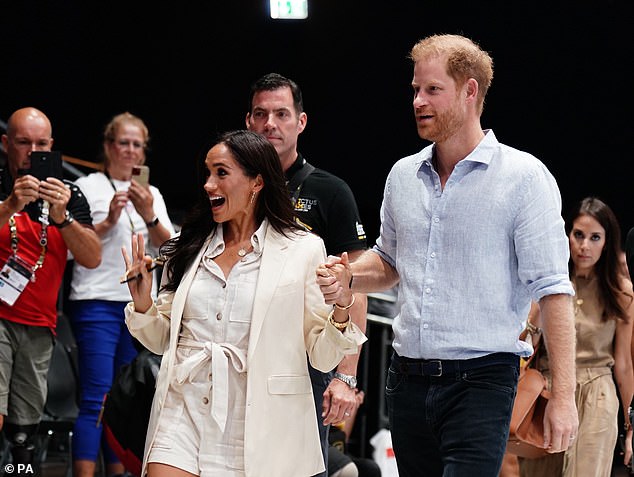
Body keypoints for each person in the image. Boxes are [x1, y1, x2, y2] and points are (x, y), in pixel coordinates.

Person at [316, 33, 579, 476]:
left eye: (433, 89)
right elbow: (389, 262)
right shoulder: (403, 175)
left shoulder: (524, 178)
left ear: (470, 90)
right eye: (415, 89)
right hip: (407, 380)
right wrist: (349, 276)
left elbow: (554, 290)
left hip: (483, 381)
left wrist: (565, 398)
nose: (418, 100)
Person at [120, 129, 366, 477]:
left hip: (257, 422)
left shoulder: (303, 249)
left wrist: (342, 306)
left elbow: (321, 355)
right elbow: (161, 339)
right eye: (207, 173)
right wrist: (144, 302)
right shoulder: (187, 245)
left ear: (256, 182)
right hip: (182, 408)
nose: (208, 184)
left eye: (221, 173)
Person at [245, 72, 369, 476]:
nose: (270, 124)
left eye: (282, 114)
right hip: (241, 357)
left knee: (300, 467)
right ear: (248, 121)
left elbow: (358, 286)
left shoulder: (330, 191)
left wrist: (345, 376)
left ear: (301, 122)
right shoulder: (232, 187)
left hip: (305, 362)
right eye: (261, 114)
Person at [67, 112, 175, 477]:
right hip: (96, 300)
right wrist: (108, 221)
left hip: (140, 306)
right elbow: (71, 248)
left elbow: (171, 248)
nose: (130, 151)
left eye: (137, 145)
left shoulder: (152, 194)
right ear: (109, 146)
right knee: (96, 393)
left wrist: (147, 214)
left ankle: (118, 472)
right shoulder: (89, 186)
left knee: (126, 396)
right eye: (123, 143)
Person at [0, 107, 101, 465]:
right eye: (23, 142)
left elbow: (91, 257)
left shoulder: (68, 194)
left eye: (41, 144)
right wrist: (12, 204)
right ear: (6, 144)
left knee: (24, 431)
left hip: (40, 325)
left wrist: (63, 217)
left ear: (52, 146)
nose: (32, 151)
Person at [519, 196, 634, 476]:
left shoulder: (622, 292)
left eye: (595, 237)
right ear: (566, 235)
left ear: (607, 242)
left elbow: (624, 365)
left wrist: (631, 427)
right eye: (578, 235)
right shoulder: (546, 285)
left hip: (598, 393)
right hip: (547, 392)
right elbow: (524, 348)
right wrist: (537, 311)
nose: (584, 246)